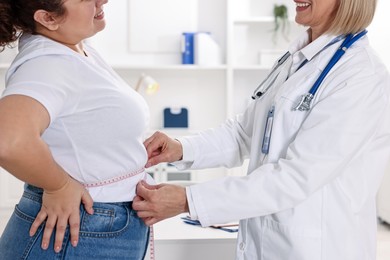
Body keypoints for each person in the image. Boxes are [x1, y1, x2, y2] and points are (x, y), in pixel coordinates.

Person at [133, 0, 390, 259]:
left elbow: (295, 177)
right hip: (270, 244)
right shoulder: (297, 59)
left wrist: (188, 200)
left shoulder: (360, 75)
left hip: (319, 249)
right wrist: (180, 148)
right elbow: (244, 133)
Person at [0, 0, 152, 259]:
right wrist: (59, 186)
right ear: (48, 19)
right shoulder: (47, 63)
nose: (103, 0)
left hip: (93, 227)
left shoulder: (75, 48)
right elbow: (9, 141)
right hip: (77, 230)